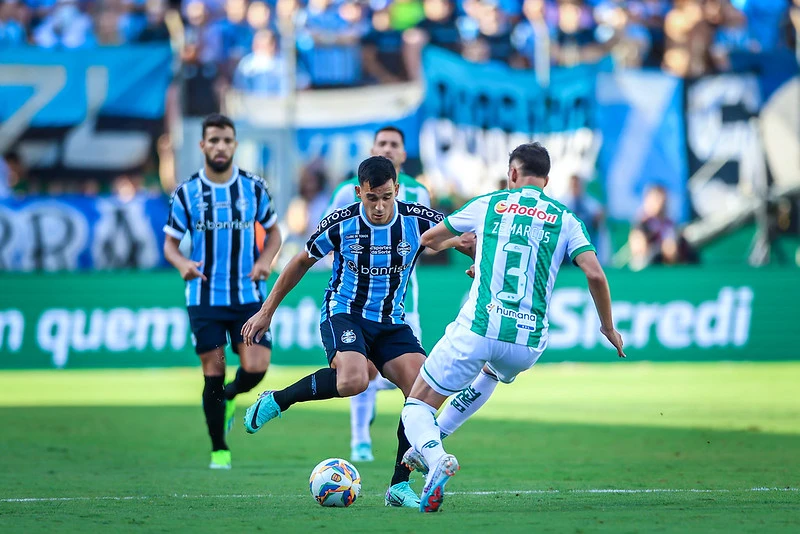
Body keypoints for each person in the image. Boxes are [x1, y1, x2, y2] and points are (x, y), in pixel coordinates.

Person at [399, 142, 626, 513]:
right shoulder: (566, 218)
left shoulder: (489, 204)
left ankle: (434, 455)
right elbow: (596, 274)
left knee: (415, 406)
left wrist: (464, 244)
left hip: (479, 326)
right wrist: (608, 327)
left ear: (513, 174)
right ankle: (432, 441)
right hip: (528, 342)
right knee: (490, 372)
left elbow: (428, 241)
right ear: (547, 180)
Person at [240, 155, 470, 508]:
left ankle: (398, 485)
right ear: (358, 192)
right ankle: (277, 400)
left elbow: (461, 239)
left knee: (422, 395)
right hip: (344, 312)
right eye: (372, 198)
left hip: (392, 320)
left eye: (387, 197)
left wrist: (477, 262)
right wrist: (266, 311)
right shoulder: (341, 222)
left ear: (397, 190)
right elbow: (300, 261)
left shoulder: (417, 219)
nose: (379, 207)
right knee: (354, 380)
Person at [163, 113, 282, 470]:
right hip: (205, 299)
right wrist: (182, 264)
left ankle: (231, 396)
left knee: (257, 366)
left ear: (235, 145)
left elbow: (274, 233)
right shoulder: (187, 193)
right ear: (202, 145)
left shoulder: (253, 187)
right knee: (214, 370)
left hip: (248, 295)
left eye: (226, 140)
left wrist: (265, 260)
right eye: (213, 140)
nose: (220, 146)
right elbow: (170, 243)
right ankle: (219, 448)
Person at [326, 126, 431, 463]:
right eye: (382, 144)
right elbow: (327, 236)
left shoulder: (419, 193)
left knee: (415, 382)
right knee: (362, 372)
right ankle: (360, 439)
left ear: (402, 154)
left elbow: (430, 241)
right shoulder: (346, 194)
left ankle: (409, 455)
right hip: (356, 302)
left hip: (402, 303)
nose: (387, 149)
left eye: (394, 145)